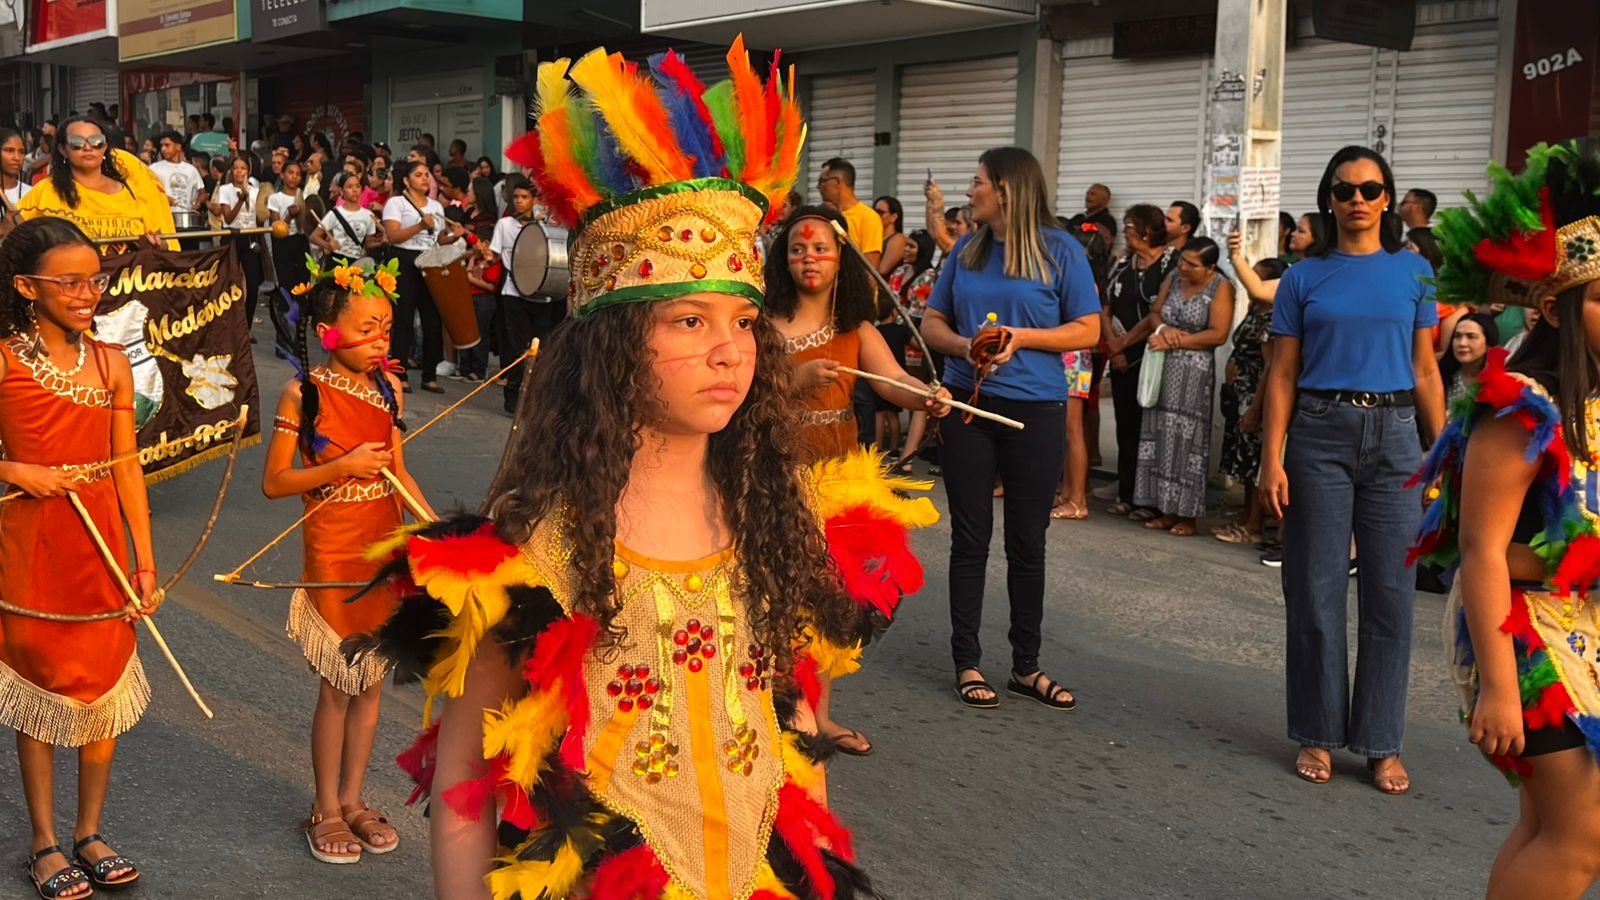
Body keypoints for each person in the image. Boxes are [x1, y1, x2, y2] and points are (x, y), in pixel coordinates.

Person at [357, 42, 933, 899]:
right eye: (688, 322)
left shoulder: (778, 518)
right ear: (617, 345)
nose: (729, 352)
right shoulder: (527, 552)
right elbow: (466, 786)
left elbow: (795, 728)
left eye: (742, 323)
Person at [1410, 139, 1600, 898]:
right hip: (1517, 631)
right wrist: (1495, 687)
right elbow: (1482, 551)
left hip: (1583, 625)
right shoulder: (1522, 406)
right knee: (1581, 838)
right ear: (1554, 305)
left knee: (1546, 826)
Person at [1259, 145, 1445, 794]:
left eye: (1370, 189)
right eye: (1345, 191)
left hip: (1395, 435)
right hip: (1319, 432)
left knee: (1392, 596)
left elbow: (1426, 369)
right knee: (1315, 586)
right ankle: (1317, 730)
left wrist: (1441, 449)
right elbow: (1281, 372)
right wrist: (1270, 456)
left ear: (1388, 198)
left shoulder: (1415, 273)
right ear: (1329, 200)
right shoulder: (1303, 278)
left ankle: (1379, 741)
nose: (1358, 200)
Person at [0, 217, 160, 897]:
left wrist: (145, 565)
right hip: (29, 544)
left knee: (102, 688)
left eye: (94, 279)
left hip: (101, 548)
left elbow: (127, 471)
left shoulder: (112, 362)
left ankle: (89, 830)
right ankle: (43, 840)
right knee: (42, 687)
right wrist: (16, 472)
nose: (87, 292)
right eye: (69, 281)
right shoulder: (3, 359)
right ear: (26, 287)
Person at [263, 256, 434, 865]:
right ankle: (325, 809)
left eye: (385, 327)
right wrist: (341, 467)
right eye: (365, 328)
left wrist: (435, 531)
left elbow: (399, 471)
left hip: (382, 542)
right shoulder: (302, 392)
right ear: (328, 332)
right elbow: (277, 482)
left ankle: (356, 798)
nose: (379, 339)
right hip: (334, 549)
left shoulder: (390, 387)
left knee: (373, 685)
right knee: (339, 683)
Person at [919, 146, 1100, 710]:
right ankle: (967, 661)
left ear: (1006, 189)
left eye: (976, 183)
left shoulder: (1061, 250)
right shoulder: (966, 251)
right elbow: (932, 321)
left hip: (1035, 409)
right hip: (968, 408)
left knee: (1029, 542)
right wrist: (963, 346)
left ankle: (1027, 665)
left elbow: (1088, 329)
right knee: (970, 539)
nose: (968, 192)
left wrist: (1022, 338)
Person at [768, 204, 950, 754]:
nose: (809, 258)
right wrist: (795, 380)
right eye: (798, 248)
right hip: (777, 481)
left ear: (840, 257)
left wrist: (927, 397)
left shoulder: (856, 329)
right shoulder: (763, 325)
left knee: (831, 604)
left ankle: (818, 716)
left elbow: (893, 380)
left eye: (821, 248)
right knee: (780, 602)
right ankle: (777, 713)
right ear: (783, 258)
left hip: (842, 480)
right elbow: (746, 400)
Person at [1129, 237, 1236, 536]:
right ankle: (1164, 508)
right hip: (1163, 366)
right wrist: (1164, 330)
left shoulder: (1221, 287)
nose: (1184, 267)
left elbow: (1217, 334)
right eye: (1182, 260)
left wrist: (1177, 341)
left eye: (1192, 264)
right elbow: (1155, 313)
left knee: (1188, 440)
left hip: (1194, 372)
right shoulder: (1173, 277)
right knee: (1161, 433)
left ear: (1210, 267)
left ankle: (1186, 515)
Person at [1102, 204, 1176, 518]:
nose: (1127, 230)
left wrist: (1123, 343)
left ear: (1147, 228)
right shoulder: (1122, 264)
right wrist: (1114, 349)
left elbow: (1153, 316)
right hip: (1121, 359)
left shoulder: (1171, 265)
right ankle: (1127, 493)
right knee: (1127, 428)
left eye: (1131, 225)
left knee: (1153, 430)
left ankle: (1151, 500)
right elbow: (1104, 308)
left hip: (1153, 357)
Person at [17, 117, 175, 252]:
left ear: (105, 147)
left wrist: (156, 245)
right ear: (63, 149)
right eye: (77, 142)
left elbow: (164, 247)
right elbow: (16, 243)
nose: (87, 147)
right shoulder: (44, 192)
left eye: (96, 141)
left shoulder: (133, 191)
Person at [383, 159, 464, 393]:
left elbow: (437, 239)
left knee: (432, 320)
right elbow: (393, 235)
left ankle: (429, 374)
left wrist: (453, 236)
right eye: (418, 175)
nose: (425, 179)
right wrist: (419, 226)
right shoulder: (396, 203)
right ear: (407, 181)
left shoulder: (436, 206)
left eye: (427, 174)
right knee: (403, 319)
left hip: (430, 261)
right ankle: (400, 373)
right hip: (404, 260)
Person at [488, 176, 561, 414]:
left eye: (524, 197)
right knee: (518, 347)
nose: (519, 201)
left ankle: (535, 399)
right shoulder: (505, 225)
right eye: (516, 197)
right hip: (513, 292)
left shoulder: (545, 224)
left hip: (543, 294)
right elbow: (493, 255)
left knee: (540, 348)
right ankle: (513, 397)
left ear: (534, 200)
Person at [210, 153, 266, 334]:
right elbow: (228, 217)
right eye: (236, 168)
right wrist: (241, 200)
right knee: (229, 281)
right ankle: (226, 325)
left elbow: (259, 217)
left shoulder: (256, 190)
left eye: (243, 168)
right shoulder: (226, 189)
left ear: (248, 171)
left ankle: (246, 328)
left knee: (252, 282)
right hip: (232, 235)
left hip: (250, 236)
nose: (239, 172)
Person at [817, 157, 882, 267]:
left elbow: (871, 268)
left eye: (823, 181)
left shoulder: (868, 217)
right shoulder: (823, 216)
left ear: (837, 182)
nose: (818, 187)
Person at [148, 131, 204, 247]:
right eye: (162, 146)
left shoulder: (191, 169)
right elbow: (148, 192)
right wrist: (164, 199)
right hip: (165, 223)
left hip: (187, 222)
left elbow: (202, 192)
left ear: (178, 147)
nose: (163, 149)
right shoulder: (154, 168)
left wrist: (197, 203)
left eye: (167, 145)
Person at [312, 172, 382, 263]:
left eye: (358, 186)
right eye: (349, 187)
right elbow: (314, 237)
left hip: (356, 263)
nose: (355, 190)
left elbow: (368, 244)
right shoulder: (334, 213)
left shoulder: (368, 215)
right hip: (336, 261)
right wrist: (328, 245)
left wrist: (381, 243)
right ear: (341, 191)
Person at [1437, 311, 1499, 406]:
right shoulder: (1440, 376)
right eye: (1457, 336)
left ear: (1488, 344)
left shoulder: (1498, 382)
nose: (1462, 343)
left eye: (1471, 337)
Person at [872, 195, 909, 279]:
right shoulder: (876, 237)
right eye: (874, 212)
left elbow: (882, 270)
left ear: (893, 217)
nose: (876, 216)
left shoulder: (897, 239)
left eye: (881, 213)